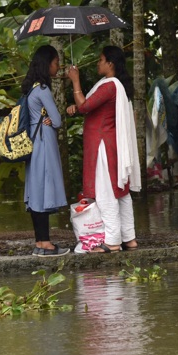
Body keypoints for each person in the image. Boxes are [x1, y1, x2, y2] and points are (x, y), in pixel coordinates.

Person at [66, 45, 141, 253]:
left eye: (100, 60)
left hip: (103, 146)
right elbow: (87, 106)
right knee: (121, 192)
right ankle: (129, 238)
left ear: (110, 64)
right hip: (110, 144)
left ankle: (113, 241)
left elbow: (85, 106)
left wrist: (75, 80)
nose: (98, 63)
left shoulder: (109, 86)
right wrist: (78, 106)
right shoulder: (112, 85)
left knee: (106, 192)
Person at [22, 45, 70, 257]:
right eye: (56, 62)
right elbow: (58, 120)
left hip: (34, 143)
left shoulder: (31, 88)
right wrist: (51, 119)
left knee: (36, 192)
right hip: (43, 143)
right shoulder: (42, 89)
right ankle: (46, 244)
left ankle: (41, 242)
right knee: (43, 192)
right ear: (47, 63)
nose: (57, 67)